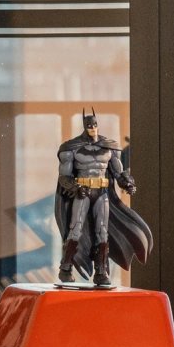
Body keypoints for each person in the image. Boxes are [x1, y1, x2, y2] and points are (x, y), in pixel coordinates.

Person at [55, 109, 141, 287]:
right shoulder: (72, 148)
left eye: (94, 124)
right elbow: (64, 177)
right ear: (84, 126)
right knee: (75, 229)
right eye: (89, 125)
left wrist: (127, 183)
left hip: (101, 193)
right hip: (83, 191)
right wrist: (75, 187)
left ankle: (101, 271)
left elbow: (118, 173)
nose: (92, 127)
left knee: (102, 231)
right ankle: (65, 268)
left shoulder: (109, 147)